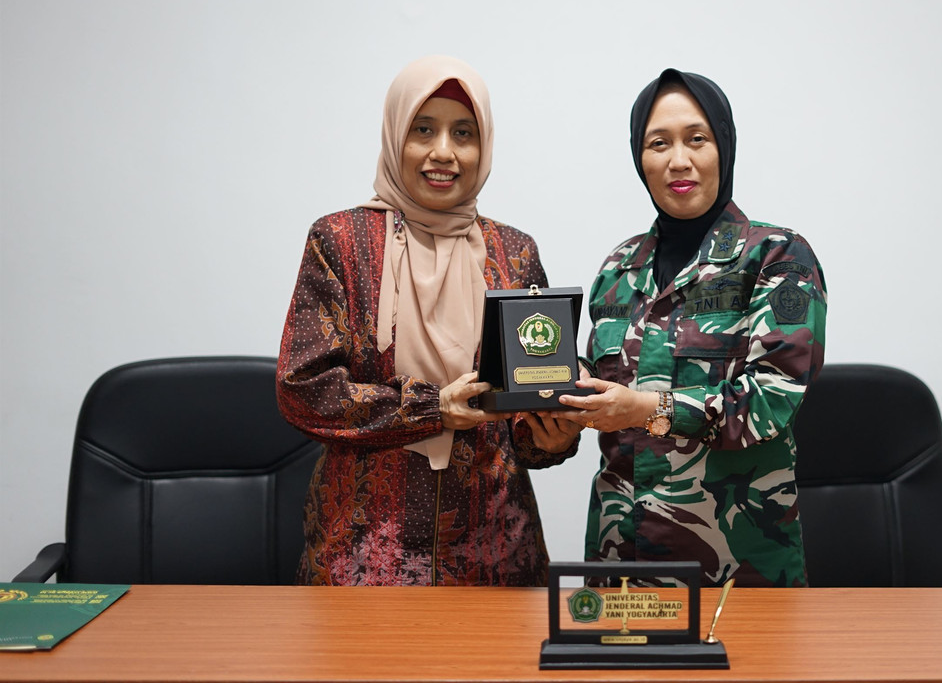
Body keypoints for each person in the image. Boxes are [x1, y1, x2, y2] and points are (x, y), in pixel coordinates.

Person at [277, 56, 581, 586]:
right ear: (396, 136)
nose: (444, 151)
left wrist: (551, 435)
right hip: (366, 555)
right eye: (423, 130)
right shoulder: (342, 242)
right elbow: (303, 390)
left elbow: (525, 398)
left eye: (463, 133)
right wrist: (430, 408)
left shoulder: (513, 252)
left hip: (496, 553)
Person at [558, 68, 827, 587]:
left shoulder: (777, 257)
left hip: (737, 570)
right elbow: (603, 389)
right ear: (639, 158)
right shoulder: (619, 268)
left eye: (696, 139)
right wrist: (561, 404)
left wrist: (647, 409)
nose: (678, 160)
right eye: (658, 143)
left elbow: (770, 402)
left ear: (723, 147)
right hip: (620, 566)